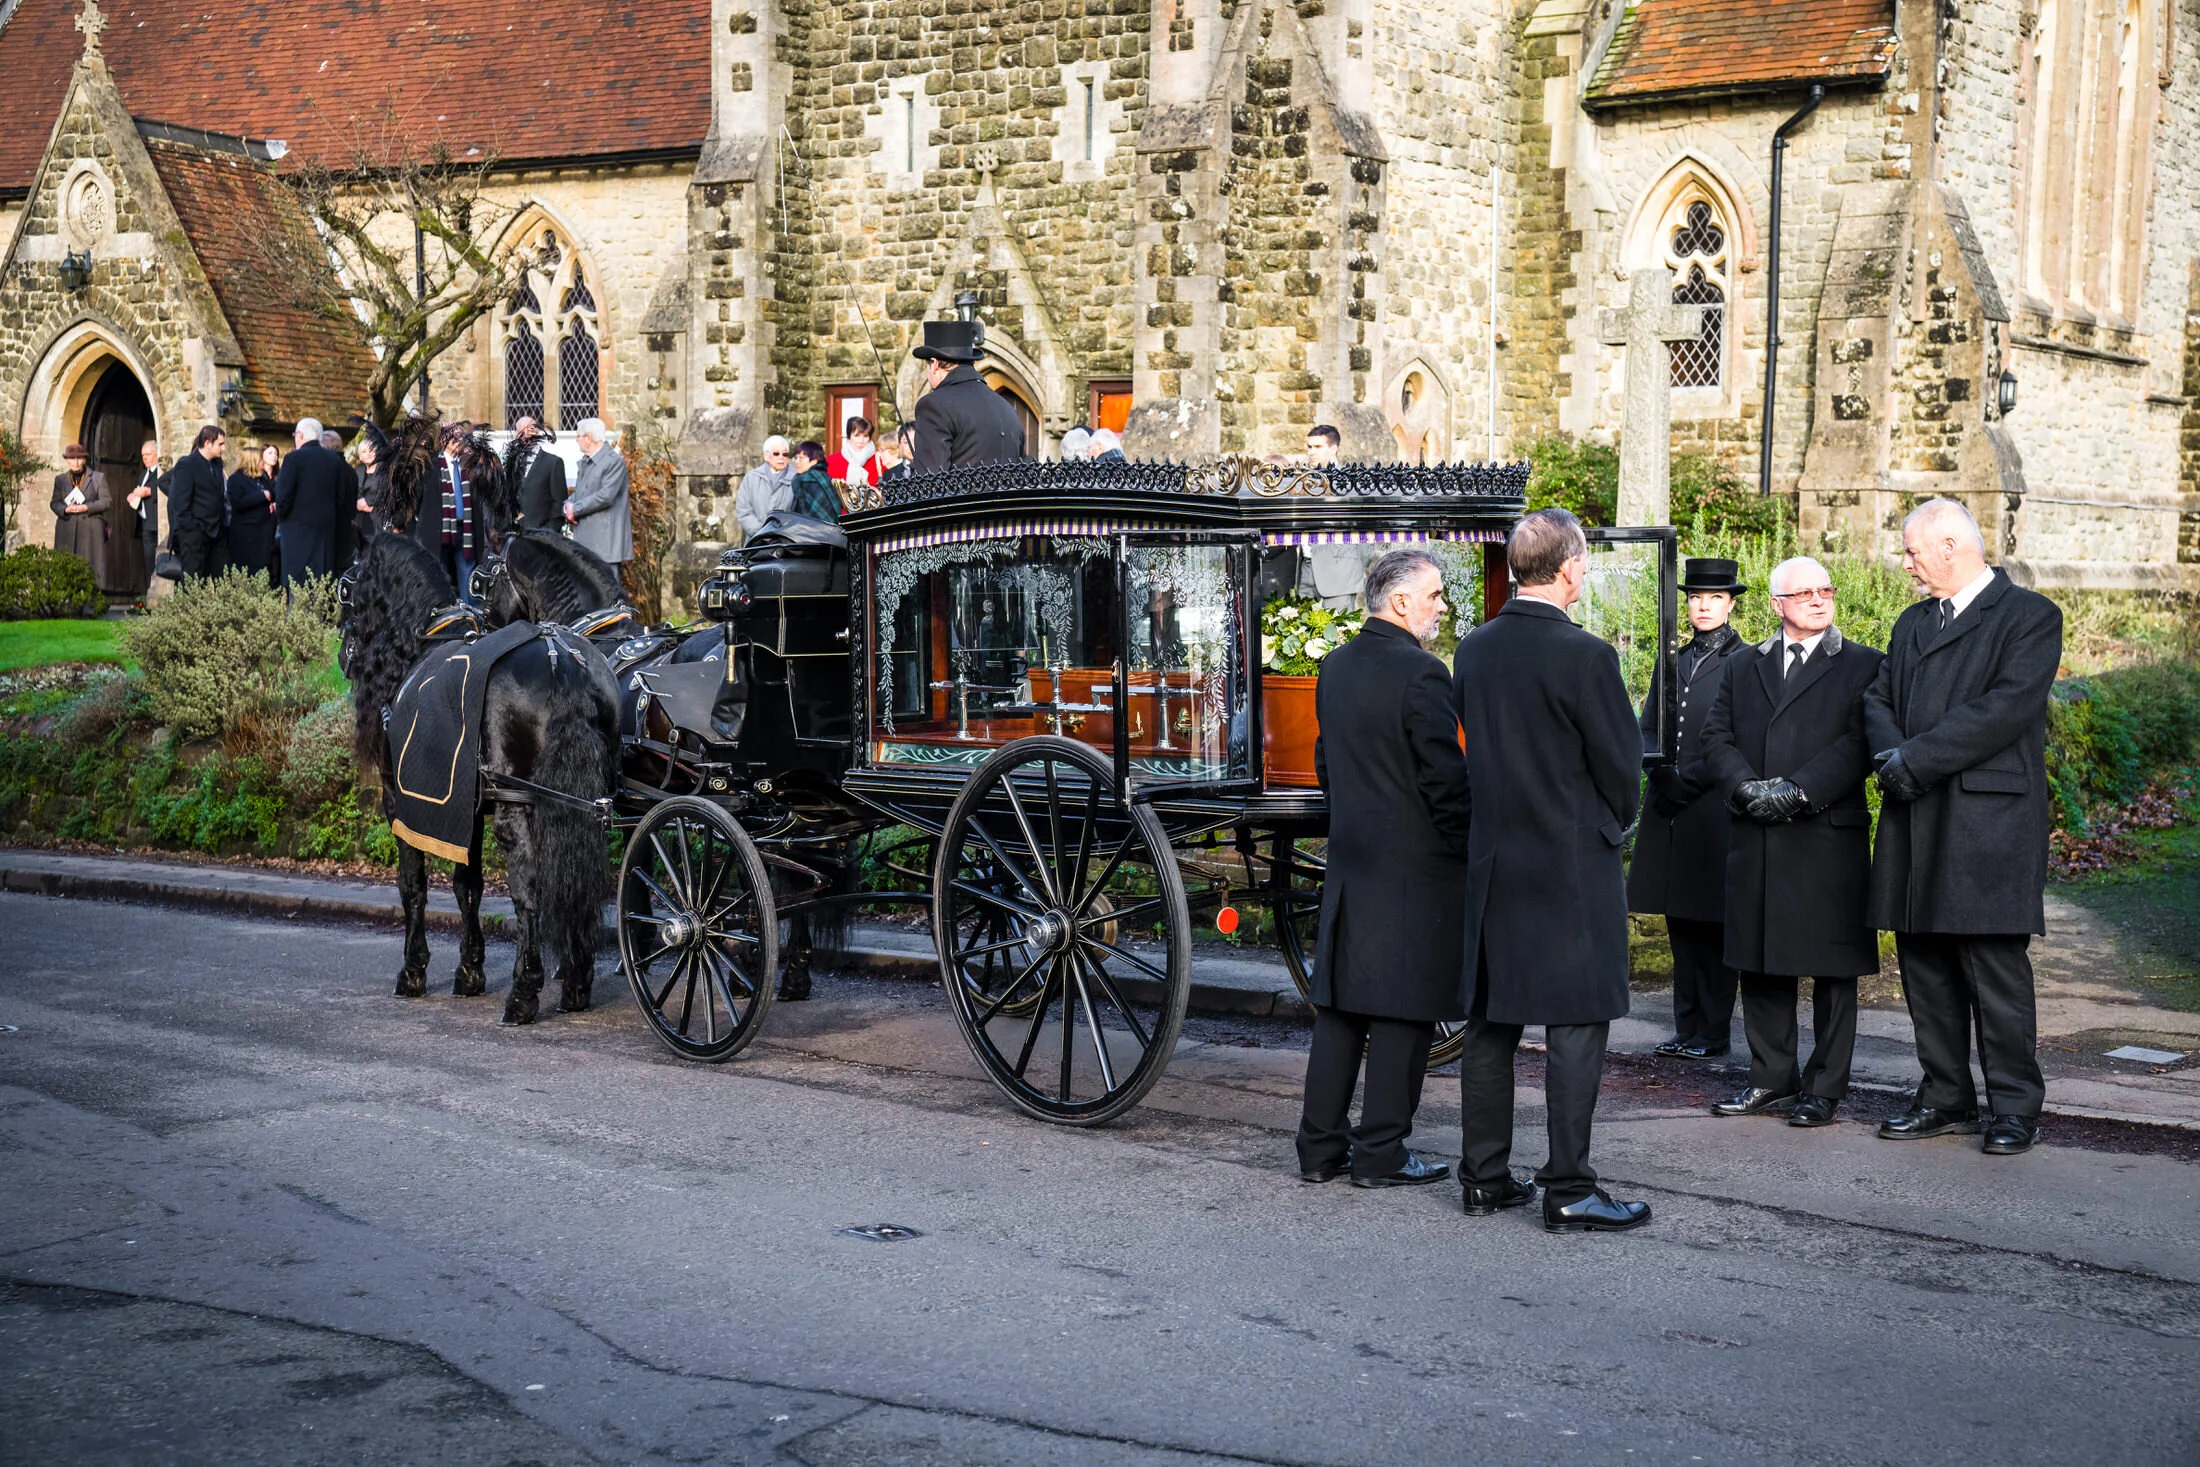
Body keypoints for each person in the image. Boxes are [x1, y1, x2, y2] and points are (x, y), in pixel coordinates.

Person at [1452, 508, 1650, 1232]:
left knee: (1491, 1022)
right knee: (1575, 1024)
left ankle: (1483, 1175)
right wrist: (1608, 823)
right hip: (1569, 862)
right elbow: (1622, 769)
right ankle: (1567, 1185)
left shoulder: (1473, 648)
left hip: (1496, 858)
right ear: (1569, 569)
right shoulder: (1587, 655)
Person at [1866, 498, 2063, 1156]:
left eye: (1914, 553)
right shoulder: (1912, 621)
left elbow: (2004, 709)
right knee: (1924, 966)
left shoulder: (2030, 617)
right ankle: (1946, 1095)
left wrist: (1913, 759)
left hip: (1987, 822)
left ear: (1951, 547)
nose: (1908, 565)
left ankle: (2013, 1106)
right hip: (1915, 813)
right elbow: (1877, 697)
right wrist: (1891, 754)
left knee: (1993, 971)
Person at [1296, 550, 1473, 1189]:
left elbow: (1324, 762)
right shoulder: (1423, 674)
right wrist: (1463, 847)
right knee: (1404, 1012)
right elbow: (1445, 781)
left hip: (1352, 857)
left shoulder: (1335, 667)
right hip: (1414, 867)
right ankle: (1380, 1154)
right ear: (1399, 603)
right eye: (1433, 596)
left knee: (1342, 1008)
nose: (1441, 607)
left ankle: (1318, 1150)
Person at [1699, 556, 1885, 1128]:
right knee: (1760, 960)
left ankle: (1824, 1088)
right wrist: (1745, 788)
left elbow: (1862, 743)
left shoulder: (1864, 664)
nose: (1817, 600)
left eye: (1825, 590)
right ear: (1777, 604)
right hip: (1756, 832)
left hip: (1825, 832)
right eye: (1803, 593)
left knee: (1832, 969)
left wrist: (1801, 792)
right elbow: (1716, 737)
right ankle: (1771, 1078)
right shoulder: (1743, 664)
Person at [1627, 557, 1750, 1059]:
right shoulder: (1672, 660)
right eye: (1696, 597)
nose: (1704, 605)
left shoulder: (1747, 661)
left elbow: (1741, 737)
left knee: (1713, 920)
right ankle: (1685, 1027)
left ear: (1731, 603)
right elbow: (1649, 724)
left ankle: (1714, 1031)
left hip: (1711, 804)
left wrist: (1690, 778)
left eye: (1715, 597)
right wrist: (1658, 770)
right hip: (1669, 804)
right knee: (1679, 919)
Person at [910, 319, 1024, 471]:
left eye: (927, 365)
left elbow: (928, 481)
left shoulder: (934, 406)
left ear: (934, 363)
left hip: (963, 495)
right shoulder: (1005, 407)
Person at [409, 422, 491, 585]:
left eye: (460, 436)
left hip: (465, 531)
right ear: (443, 441)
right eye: (452, 437)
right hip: (438, 532)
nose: (457, 440)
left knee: (468, 577)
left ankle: (470, 610)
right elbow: (415, 499)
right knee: (439, 578)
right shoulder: (430, 466)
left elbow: (483, 493)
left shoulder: (469, 466)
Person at [272, 416, 347, 584]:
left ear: (299, 435)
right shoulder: (333, 459)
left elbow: (283, 497)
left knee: (298, 587)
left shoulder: (293, 459)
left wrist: (281, 516)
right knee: (321, 585)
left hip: (296, 533)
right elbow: (340, 497)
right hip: (325, 533)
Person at [565, 418, 632, 573]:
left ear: (588, 438)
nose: (576, 441)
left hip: (605, 544)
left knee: (608, 591)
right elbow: (580, 492)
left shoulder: (613, 462)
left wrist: (575, 509)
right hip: (585, 541)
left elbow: (606, 496)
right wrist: (567, 506)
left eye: (578, 436)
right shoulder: (585, 462)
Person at [168, 426, 229, 581]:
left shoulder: (216, 465)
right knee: (193, 583)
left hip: (216, 534)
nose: (224, 448)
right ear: (208, 443)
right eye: (220, 444)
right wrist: (193, 530)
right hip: (194, 536)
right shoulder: (187, 464)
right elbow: (180, 503)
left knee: (222, 581)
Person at [50, 443, 110, 586]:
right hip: (67, 529)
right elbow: (54, 503)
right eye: (72, 458)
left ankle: (91, 601)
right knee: (65, 570)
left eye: (79, 458)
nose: (75, 462)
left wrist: (86, 507)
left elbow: (106, 502)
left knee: (91, 568)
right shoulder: (60, 480)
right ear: (66, 460)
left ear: (84, 460)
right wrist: (65, 509)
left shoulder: (98, 478)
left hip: (90, 531)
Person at [226, 444, 280, 583]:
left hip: (264, 534)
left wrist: (272, 502)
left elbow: (273, 493)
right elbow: (238, 503)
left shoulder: (261, 478)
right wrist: (262, 496)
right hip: (246, 535)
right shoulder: (236, 479)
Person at [121, 440, 165, 594]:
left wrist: (149, 491)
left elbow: (162, 487)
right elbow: (140, 493)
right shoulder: (143, 475)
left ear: (157, 454)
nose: (145, 458)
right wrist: (132, 496)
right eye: (143, 455)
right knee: (148, 560)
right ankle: (149, 592)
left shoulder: (160, 472)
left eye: (148, 454)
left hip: (157, 522)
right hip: (145, 523)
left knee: (159, 559)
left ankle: (159, 593)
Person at [510, 417, 567, 533]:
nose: (525, 436)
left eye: (529, 429)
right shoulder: (512, 463)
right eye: (520, 432)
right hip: (515, 537)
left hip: (541, 537)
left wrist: (548, 534)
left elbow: (559, 504)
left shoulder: (553, 463)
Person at [736, 435, 795, 538]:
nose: (781, 457)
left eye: (785, 454)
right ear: (766, 456)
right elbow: (744, 510)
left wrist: (782, 534)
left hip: (785, 542)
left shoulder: (796, 479)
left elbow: (799, 514)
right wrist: (761, 533)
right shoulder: (752, 478)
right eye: (776, 453)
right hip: (755, 541)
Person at [787, 440, 842, 523]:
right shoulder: (825, 477)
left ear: (814, 460)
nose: (797, 462)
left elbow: (800, 514)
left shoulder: (803, 481)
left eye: (802, 458)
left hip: (811, 531)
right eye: (796, 458)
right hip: (832, 530)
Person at [827, 416, 881, 489]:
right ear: (849, 437)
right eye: (856, 436)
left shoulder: (879, 460)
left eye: (865, 436)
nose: (861, 440)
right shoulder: (832, 461)